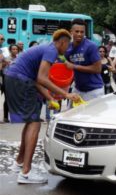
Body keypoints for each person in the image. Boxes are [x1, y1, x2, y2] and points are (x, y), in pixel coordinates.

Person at [4, 29, 80, 184]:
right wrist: (66, 95)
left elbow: (37, 80)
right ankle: (26, 173)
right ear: (63, 42)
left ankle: (20, 164)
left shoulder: (45, 48)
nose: (67, 49)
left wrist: (49, 98)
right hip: (20, 80)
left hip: (15, 79)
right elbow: (42, 78)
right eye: (68, 45)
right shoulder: (52, 51)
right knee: (35, 123)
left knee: (31, 121)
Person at [64, 18, 104, 103]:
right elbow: (66, 70)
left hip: (94, 90)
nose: (79, 34)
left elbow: (98, 69)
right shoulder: (67, 47)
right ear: (71, 31)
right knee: (73, 115)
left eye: (82, 32)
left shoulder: (91, 46)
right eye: (77, 31)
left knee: (92, 116)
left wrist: (74, 66)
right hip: (78, 89)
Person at [1, 44, 19, 122]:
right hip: (7, 79)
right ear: (10, 50)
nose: (15, 50)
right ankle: (5, 117)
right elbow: (2, 67)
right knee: (7, 98)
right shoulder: (6, 58)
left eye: (16, 49)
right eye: (13, 49)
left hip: (16, 80)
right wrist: (5, 63)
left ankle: (14, 116)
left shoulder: (19, 58)